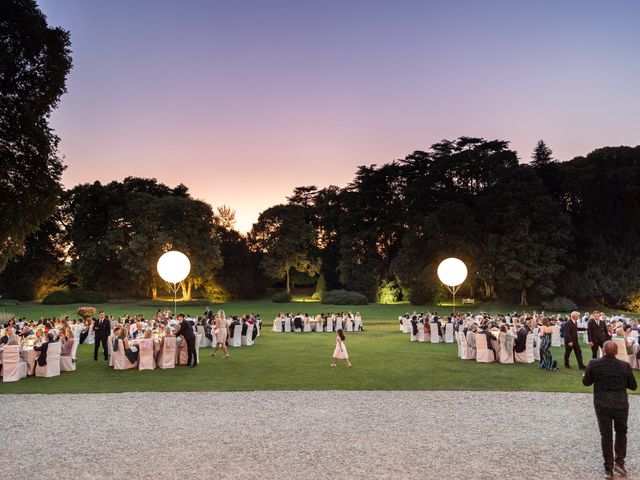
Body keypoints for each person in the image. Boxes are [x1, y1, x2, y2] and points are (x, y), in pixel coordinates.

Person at [583, 341, 637, 478]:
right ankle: (619, 462)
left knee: (606, 435)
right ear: (617, 352)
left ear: (603, 350)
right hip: (620, 404)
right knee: (621, 432)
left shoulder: (594, 364)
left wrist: (585, 375)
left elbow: (586, 382)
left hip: (602, 404)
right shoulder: (624, 366)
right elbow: (633, 386)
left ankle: (609, 468)